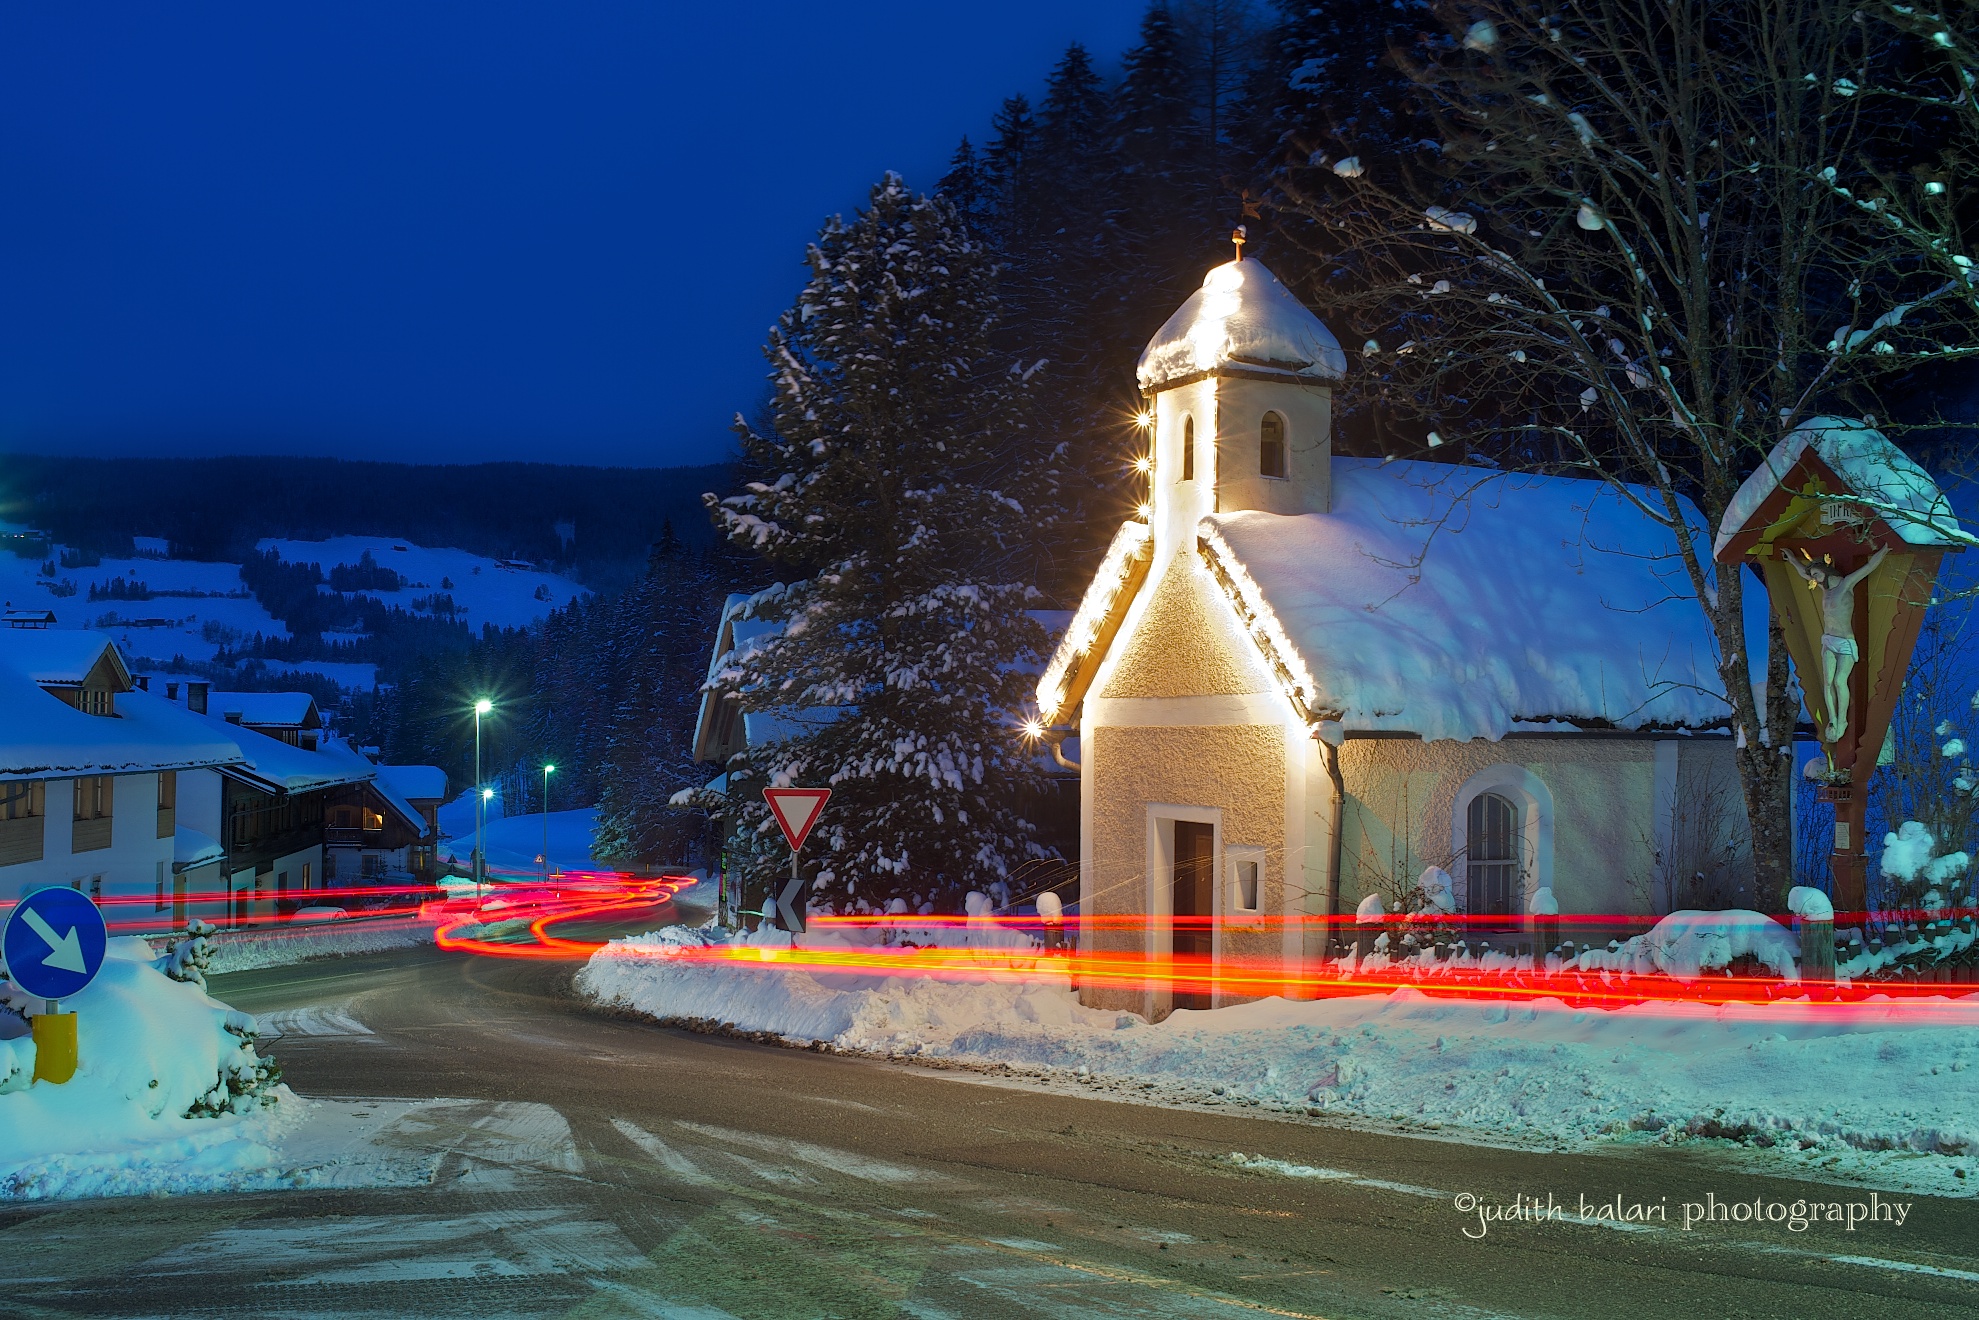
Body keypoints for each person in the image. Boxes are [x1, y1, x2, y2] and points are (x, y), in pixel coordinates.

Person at [1784, 545, 1889, 742]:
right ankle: (1832, 719)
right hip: (1829, 640)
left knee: (1840, 681)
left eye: (1816, 574)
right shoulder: (1825, 589)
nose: (1814, 578)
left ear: (1825, 571)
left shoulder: (1845, 585)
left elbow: (1867, 568)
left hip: (1846, 642)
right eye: (1813, 575)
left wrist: (1883, 551)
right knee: (1828, 682)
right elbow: (1801, 572)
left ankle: (1842, 721)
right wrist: (1791, 557)